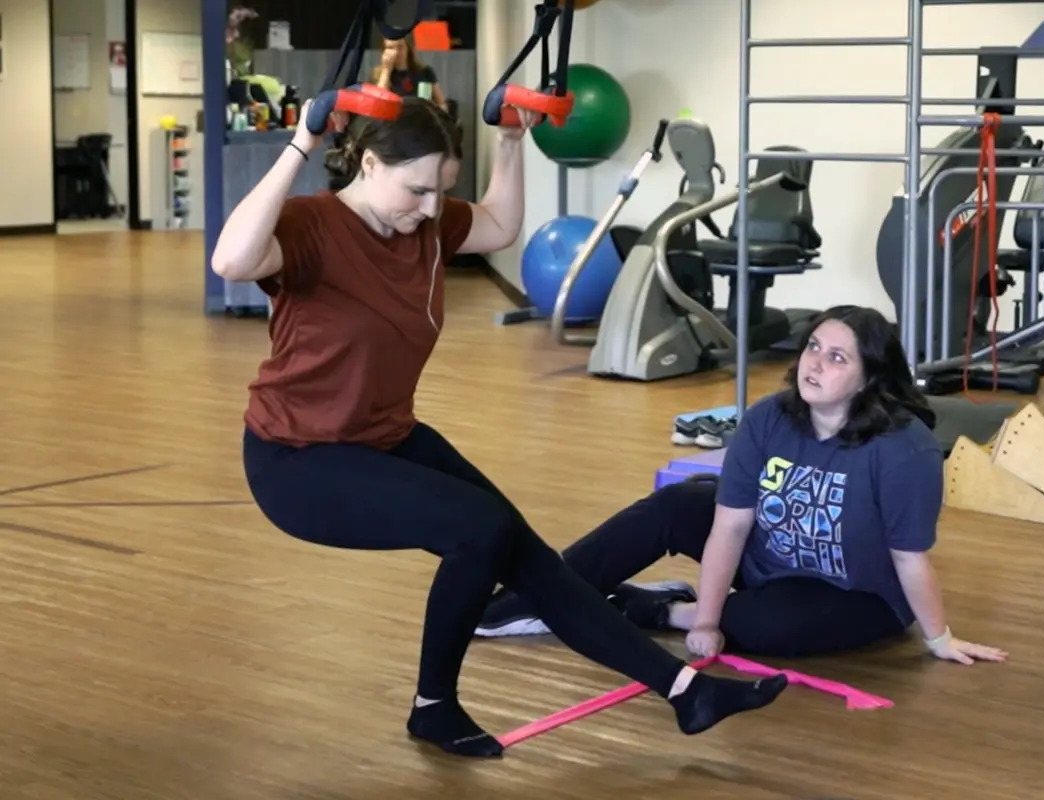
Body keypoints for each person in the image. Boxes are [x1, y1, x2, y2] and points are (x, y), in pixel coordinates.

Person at [210, 96, 787, 760]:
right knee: (477, 529)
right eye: (417, 188)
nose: (430, 207)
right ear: (368, 163)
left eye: (442, 189)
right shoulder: (311, 225)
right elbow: (231, 261)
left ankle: (687, 693)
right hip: (298, 458)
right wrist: (300, 144)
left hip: (384, 436)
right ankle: (434, 707)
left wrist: (511, 143)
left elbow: (496, 226)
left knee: (524, 551)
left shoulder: (424, 226)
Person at [475, 305, 1008, 667]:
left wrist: (939, 639)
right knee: (679, 503)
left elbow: (910, 559)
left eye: (837, 357)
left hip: (851, 595)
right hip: (765, 556)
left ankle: (656, 608)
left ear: (869, 378)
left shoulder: (904, 449)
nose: (814, 364)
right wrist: (708, 621)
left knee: (762, 629)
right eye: (813, 347)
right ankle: (535, 596)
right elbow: (730, 525)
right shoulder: (770, 417)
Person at [373, 35, 448, 109]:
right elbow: (379, 104)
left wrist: (434, 109)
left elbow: (441, 103)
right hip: (395, 118)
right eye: (390, 48)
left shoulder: (425, 71)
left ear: (408, 48)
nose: (396, 52)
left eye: (400, 47)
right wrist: (386, 70)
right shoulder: (379, 74)